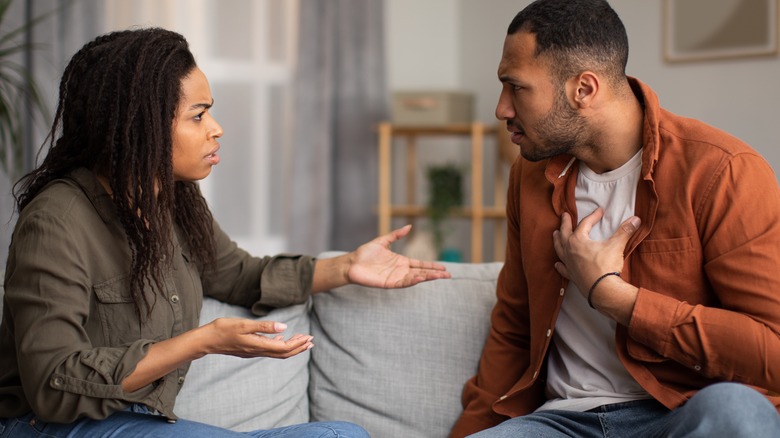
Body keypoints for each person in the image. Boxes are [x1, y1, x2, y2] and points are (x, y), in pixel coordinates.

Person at [0, 27, 451, 438]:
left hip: (138, 421)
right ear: (141, 124)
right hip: (50, 428)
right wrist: (202, 341)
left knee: (341, 436)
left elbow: (239, 274)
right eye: (197, 116)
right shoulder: (56, 221)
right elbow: (51, 383)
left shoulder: (172, 203)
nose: (216, 129)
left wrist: (348, 266)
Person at [450, 0, 780, 437]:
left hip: (677, 413)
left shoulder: (722, 170)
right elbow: (514, 324)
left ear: (583, 89)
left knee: (736, 411)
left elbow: (772, 351)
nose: (501, 108)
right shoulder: (528, 177)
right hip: (561, 423)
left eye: (516, 88)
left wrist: (614, 297)